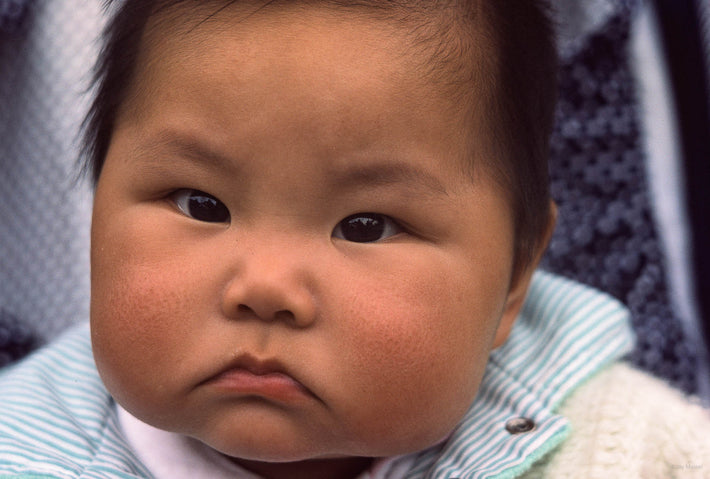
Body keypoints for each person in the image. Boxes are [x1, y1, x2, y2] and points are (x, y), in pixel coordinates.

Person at [1, 1, 708, 477]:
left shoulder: (621, 446)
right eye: (202, 204)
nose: (267, 287)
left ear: (516, 275)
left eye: (365, 226)